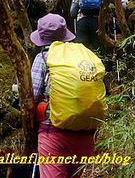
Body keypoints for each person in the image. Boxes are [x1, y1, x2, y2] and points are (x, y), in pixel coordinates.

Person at [30, 13, 98, 178]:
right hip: (86, 132)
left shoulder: (43, 58)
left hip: (53, 132)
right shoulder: (84, 56)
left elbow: (32, 94)